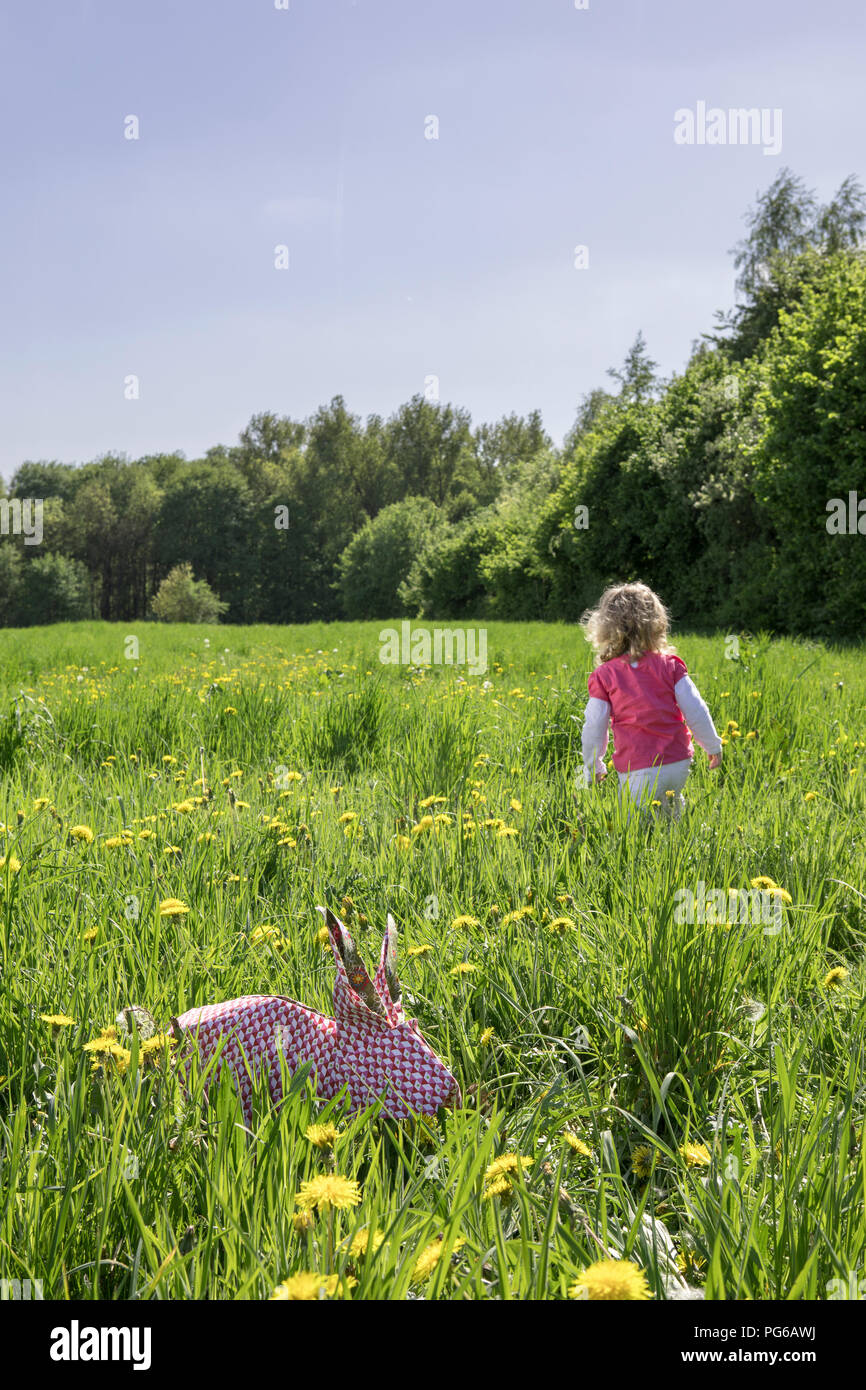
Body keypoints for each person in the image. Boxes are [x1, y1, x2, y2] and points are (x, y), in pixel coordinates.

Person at [580, 582, 722, 818]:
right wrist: (712, 744)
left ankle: (649, 851)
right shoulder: (670, 665)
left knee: (636, 820)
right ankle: (676, 839)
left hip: (638, 766)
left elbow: (594, 725)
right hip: (678, 761)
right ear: (656, 623)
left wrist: (593, 765)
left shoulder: (606, 675)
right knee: (670, 804)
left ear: (605, 628)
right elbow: (696, 709)